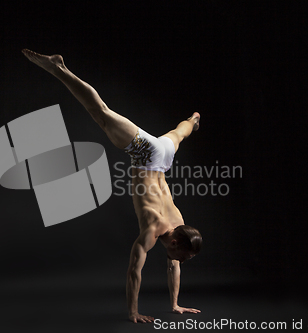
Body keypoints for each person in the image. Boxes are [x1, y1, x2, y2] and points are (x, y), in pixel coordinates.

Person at [22, 49, 203, 324]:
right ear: (175, 242)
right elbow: (134, 271)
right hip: (147, 155)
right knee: (101, 112)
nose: (181, 261)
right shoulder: (154, 228)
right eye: (184, 256)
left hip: (164, 157)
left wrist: (175, 304)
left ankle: (192, 121)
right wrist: (133, 312)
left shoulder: (180, 224)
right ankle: (59, 68)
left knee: (178, 135)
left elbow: (173, 264)